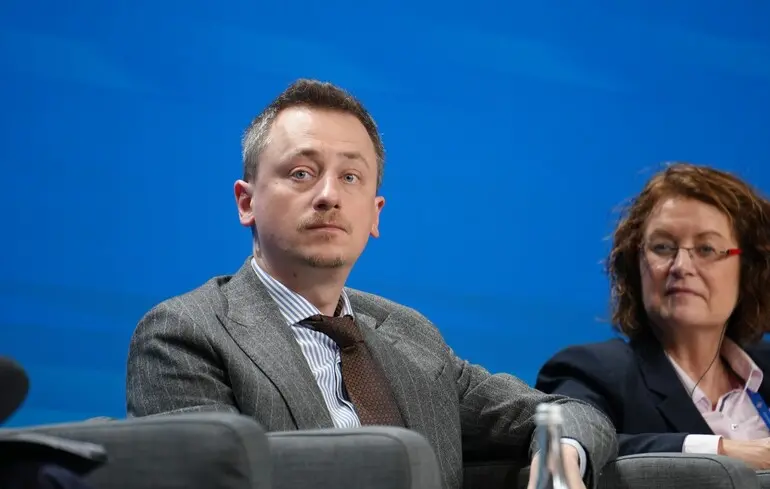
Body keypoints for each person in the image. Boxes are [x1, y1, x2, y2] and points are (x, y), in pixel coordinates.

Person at [126, 78, 617, 489]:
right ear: (246, 202)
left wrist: (560, 461)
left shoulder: (411, 336)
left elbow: (566, 414)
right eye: (301, 173)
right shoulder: (185, 334)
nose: (328, 196)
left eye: (351, 177)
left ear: (375, 214)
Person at [536, 162, 770, 469]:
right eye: (662, 247)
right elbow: (569, 442)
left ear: (748, 269)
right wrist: (723, 451)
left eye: (706, 249)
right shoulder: (597, 372)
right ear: (636, 267)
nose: (681, 266)